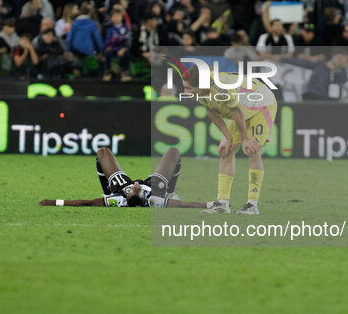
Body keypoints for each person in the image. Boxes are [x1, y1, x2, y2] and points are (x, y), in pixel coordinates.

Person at [182, 65, 278, 214]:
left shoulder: (222, 87)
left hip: (261, 105)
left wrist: (245, 139)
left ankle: (252, 205)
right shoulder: (203, 91)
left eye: (188, 89)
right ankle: (222, 203)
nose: (185, 92)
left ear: (201, 86)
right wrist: (228, 137)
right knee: (226, 151)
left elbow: (237, 112)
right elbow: (211, 111)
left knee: (253, 151)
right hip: (242, 109)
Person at [39, 147, 207, 208]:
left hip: (119, 187)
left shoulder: (118, 199)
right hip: (154, 187)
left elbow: (87, 202)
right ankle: (169, 191)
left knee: (103, 152)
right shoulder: (155, 201)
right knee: (174, 152)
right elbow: (186, 204)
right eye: (137, 188)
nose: (135, 184)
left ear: (128, 195)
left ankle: (107, 191)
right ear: (142, 194)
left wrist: (54, 202)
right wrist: (211, 204)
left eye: (133, 189)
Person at [103, 9, 132, 82]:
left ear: (122, 17)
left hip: (121, 49)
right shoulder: (108, 28)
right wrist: (109, 48)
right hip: (111, 49)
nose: (116, 18)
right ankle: (107, 72)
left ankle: (125, 72)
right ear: (111, 18)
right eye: (115, 16)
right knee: (107, 52)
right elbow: (107, 41)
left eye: (118, 16)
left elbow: (127, 41)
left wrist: (123, 48)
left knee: (127, 53)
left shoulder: (125, 28)